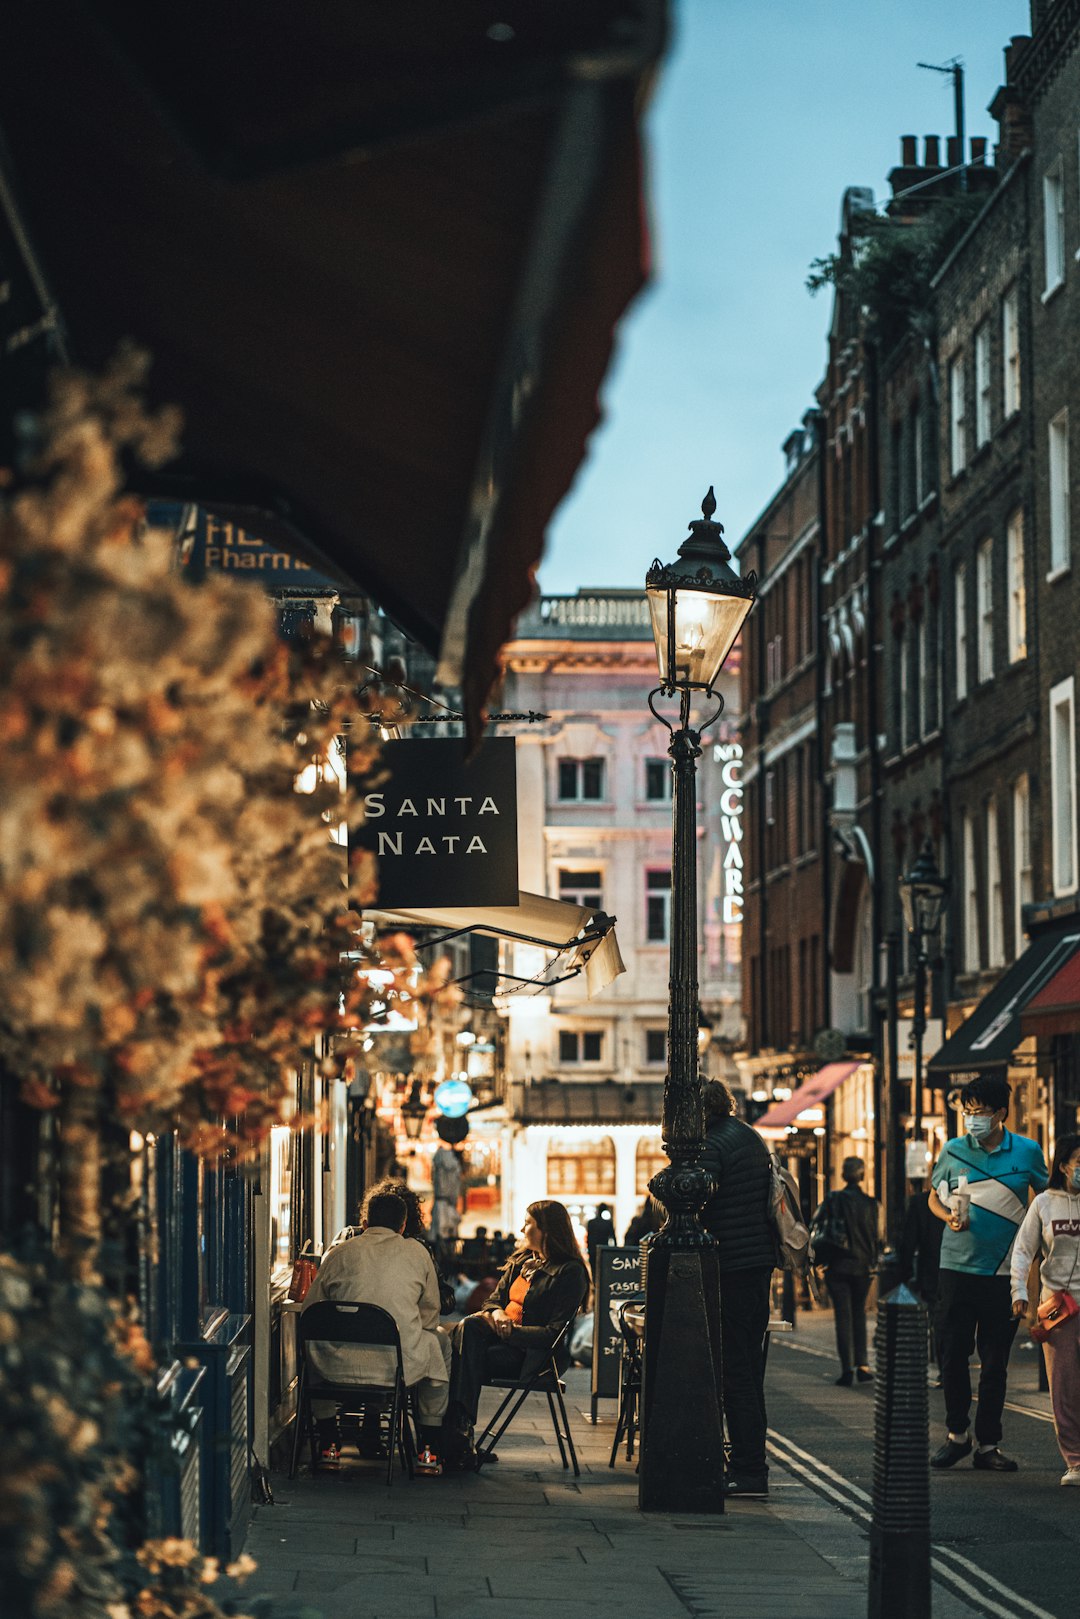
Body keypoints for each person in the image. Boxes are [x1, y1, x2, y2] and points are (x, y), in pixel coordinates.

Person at [928, 1075, 1048, 1472]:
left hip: (1002, 1272)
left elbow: (1047, 1201)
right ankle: (957, 1435)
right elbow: (933, 1195)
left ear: (1000, 1113)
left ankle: (988, 1444)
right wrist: (948, 1216)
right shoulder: (953, 1150)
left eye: (978, 1111)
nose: (971, 1118)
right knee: (952, 1355)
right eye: (966, 1111)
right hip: (956, 1268)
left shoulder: (1028, 1152)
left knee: (995, 1361)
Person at [302, 1191, 451, 1476]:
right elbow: (430, 1315)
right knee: (439, 1343)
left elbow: (312, 1312)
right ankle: (428, 1450)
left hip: (336, 1366)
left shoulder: (340, 1252)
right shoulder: (418, 1253)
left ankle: (329, 1443)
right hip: (396, 1368)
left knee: (313, 1345)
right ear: (403, 1225)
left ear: (366, 1221)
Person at [444, 1199, 589, 1467]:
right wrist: (498, 1316)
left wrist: (510, 1333)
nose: (522, 1230)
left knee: (456, 1354)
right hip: (496, 1342)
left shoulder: (570, 1272)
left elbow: (553, 1333)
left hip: (533, 1355)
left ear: (547, 1230)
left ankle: (454, 1435)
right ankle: (458, 1436)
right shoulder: (521, 1260)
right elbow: (491, 1302)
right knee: (468, 1332)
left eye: (528, 1224)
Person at [697, 1079, 779, 1498]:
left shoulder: (712, 1143)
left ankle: (749, 1471)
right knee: (748, 1370)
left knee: (735, 1377)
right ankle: (751, 1465)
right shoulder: (747, 1134)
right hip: (756, 1266)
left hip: (731, 1267)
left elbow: (694, 1198)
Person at [1010, 1132, 1080, 1485]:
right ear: (1064, 1165)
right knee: (1064, 1387)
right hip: (1059, 1308)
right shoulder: (1044, 1204)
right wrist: (1019, 1290)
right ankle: (1076, 1461)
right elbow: (1024, 1250)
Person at [813, 1156, 881, 1387]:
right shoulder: (871, 1204)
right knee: (859, 1314)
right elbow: (876, 1237)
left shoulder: (833, 1199)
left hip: (838, 1265)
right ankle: (863, 1365)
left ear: (843, 1175)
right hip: (862, 1266)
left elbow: (817, 1225)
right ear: (861, 1175)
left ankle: (847, 1368)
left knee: (843, 1317)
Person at [897, 1187, 944, 1383]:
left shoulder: (920, 1202)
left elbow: (908, 1241)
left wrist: (904, 1273)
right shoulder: (966, 1198)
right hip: (961, 1273)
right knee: (953, 1321)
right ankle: (950, 1368)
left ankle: (945, 1369)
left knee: (937, 1320)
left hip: (931, 1272)